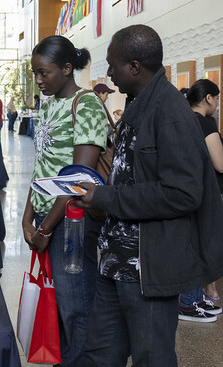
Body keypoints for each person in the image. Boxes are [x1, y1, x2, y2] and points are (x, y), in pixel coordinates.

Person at [78, 25, 223, 366]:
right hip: (116, 262)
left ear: (135, 66)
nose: (108, 72)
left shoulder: (170, 113)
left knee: (152, 357)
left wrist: (105, 197)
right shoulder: (137, 104)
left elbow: (183, 193)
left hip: (149, 270)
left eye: (112, 64)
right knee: (99, 355)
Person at [21, 35, 108, 366]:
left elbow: (78, 177)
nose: (39, 80)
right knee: (57, 306)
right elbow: (42, 165)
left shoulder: (85, 104)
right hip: (47, 220)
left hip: (73, 222)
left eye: (45, 73)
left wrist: (45, 228)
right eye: (35, 73)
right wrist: (27, 218)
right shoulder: (50, 103)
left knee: (77, 308)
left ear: (68, 68)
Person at [182, 79, 223, 313]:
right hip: (209, 190)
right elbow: (219, 163)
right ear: (208, 98)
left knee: (194, 243)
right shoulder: (206, 123)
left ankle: (194, 297)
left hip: (189, 189)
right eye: (216, 98)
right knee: (203, 245)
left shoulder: (182, 119)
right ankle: (191, 301)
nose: (217, 103)